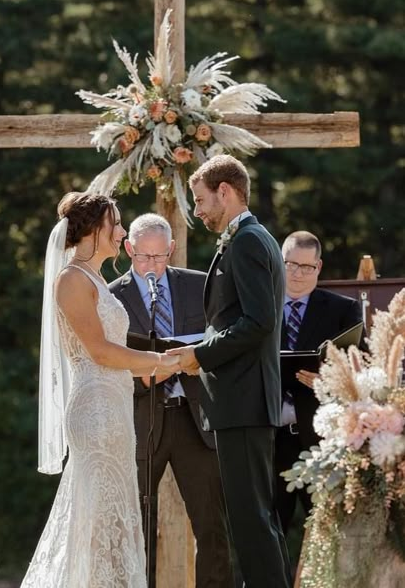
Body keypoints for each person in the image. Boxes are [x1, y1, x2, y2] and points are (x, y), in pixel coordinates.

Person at [20, 192, 179, 588]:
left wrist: (163, 365)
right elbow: (100, 351)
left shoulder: (96, 279)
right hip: (95, 411)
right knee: (96, 517)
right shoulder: (71, 280)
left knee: (110, 514)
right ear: (94, 230)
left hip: (116, 405)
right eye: (117, 224)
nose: (122, 232)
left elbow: (116, 358)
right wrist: (162, 361)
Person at [168, 154, 291, 588]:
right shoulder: (249, 239)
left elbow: (258, 322)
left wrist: (199, 354)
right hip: (241, 401)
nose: (198, 210)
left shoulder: (249, 242)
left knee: (251, 522)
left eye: (201, 200)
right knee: (255, 519)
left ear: (226, 191)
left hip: (243, 400)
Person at [109, 214, 234, 588]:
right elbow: (107, 363)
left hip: (195, 419)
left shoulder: (200, 286)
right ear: (129, 249)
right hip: (141, 417)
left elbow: (226, 340)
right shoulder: (111, 296)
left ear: (172, 250)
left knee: (212, 526)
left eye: (159, 257)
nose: (151, 266)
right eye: (143, 257)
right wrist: (156, 371)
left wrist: (202, 360)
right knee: (137, 526)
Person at [275, 230, 365, 537]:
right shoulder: (260, 308)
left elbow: (360, 374)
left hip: (320, 440)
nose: (298, 273)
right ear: (280, 262)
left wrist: (329, 381)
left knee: (330, 533)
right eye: (291, 265)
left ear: (319, 267)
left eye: (307, 267)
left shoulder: (343, 310)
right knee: (267, 535)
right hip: (268, 438)